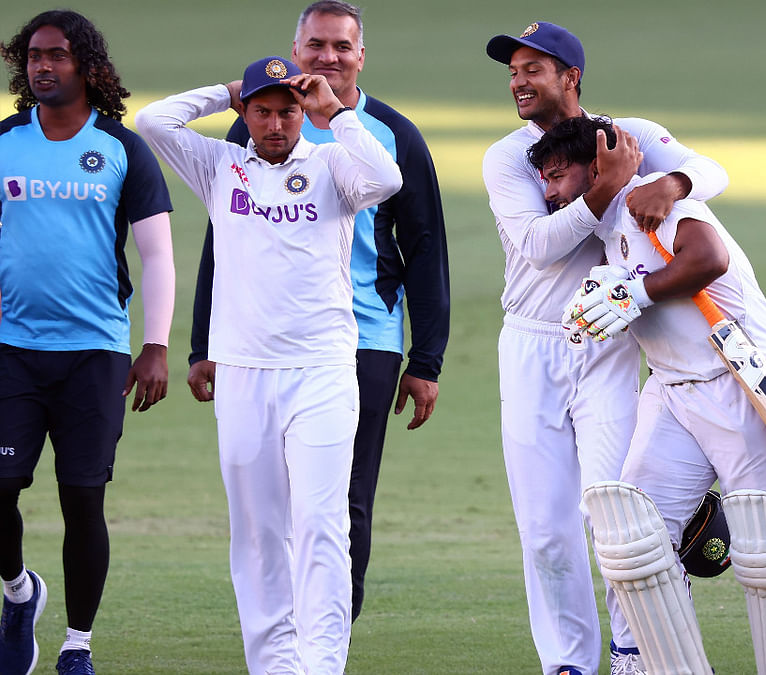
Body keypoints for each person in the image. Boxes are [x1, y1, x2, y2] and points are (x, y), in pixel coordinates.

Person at [531, 113, 766, 675]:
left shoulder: (652, 203)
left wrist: (634, 294)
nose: (549, 192)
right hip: (672, 391)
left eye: (556, 175)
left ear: (597, 167)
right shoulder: (603, 227)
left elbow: (708, 258)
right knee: (634, 541)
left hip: (742, 383)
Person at [185, 0, 449, 623]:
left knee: (342, 500)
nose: (328, 58)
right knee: (266, 502)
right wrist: (203, 343)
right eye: (315, 46)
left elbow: (426, 245)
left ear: (361, 56)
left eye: (341, 47)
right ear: (295, 51)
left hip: (363, 339)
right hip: (264, 341)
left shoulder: (392, 133)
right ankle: (281, 636)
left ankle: (329, 639)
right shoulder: (256, 124)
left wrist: (427, 359)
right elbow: (222, 240)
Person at [136, 57, 402, 674]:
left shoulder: (332, 160)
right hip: (243, 372)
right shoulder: (219, 166)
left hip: (322, 370)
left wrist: (334, 113)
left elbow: (385, 180)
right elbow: (153, 121)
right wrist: (225, 91)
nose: (277, 123)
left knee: (320, 525)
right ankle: (274, 666)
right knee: (257, 533)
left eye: (287, 110)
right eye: (263, 110)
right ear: (246, 114)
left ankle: (323, 664)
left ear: (301, 110)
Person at [482, 20, 729, 675]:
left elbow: (711, 170)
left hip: (612, 345)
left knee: (616, 510)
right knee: (544, 528)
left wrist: (665, 184)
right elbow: (537, 246)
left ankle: (634, 650)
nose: (517, 81)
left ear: (572, 77)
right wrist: (604, 188)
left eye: (532, 68)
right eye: (512, 71)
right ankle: (567, 660)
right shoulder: (507, 156)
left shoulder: (632, 135)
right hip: (532, 343)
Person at [0, 10, 175, 675]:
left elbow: (157, 254)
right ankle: (19, 592)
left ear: (88, 67)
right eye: (34, 56)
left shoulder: (122, 149)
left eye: (58, 56)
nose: (42, 66)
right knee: (2, 481)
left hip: (95, 352)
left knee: (82, 497)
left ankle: (77, 645)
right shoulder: (5, 142)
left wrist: (153, 345)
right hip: (12, 346)